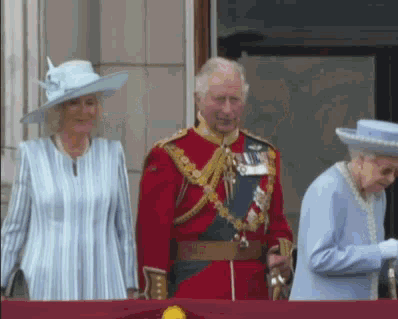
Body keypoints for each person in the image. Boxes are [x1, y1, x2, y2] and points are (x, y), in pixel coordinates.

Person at [136, 57, 293, 300]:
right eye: (219, 99)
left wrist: (279, 252)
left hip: (252, 293)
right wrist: (156, 301)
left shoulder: (263, 154)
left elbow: (277, 222)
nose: (228, 110)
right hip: (194, 291)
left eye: (235, 100)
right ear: (198, 98)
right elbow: (152, 238)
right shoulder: (169, 154)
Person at [0, 57, 138, 301]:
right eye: (73, 103)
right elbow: (15, 228)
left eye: (90, 103)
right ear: (59, 110)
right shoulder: (32, 155)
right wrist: (1, 281)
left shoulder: (112, 153)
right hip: (46, 286)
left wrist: (130, 285)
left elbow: (123, 229)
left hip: (104, 285)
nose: (84, 111)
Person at [289, 119, 398, 300]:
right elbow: (319, 259)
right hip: (320, 317)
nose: (392, 179)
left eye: (397, 172)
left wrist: (395, 267)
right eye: (386, 171)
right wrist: (379, 252)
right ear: (361, 160)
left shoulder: (377, 195)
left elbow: (364, 265)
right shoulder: (328, 189)